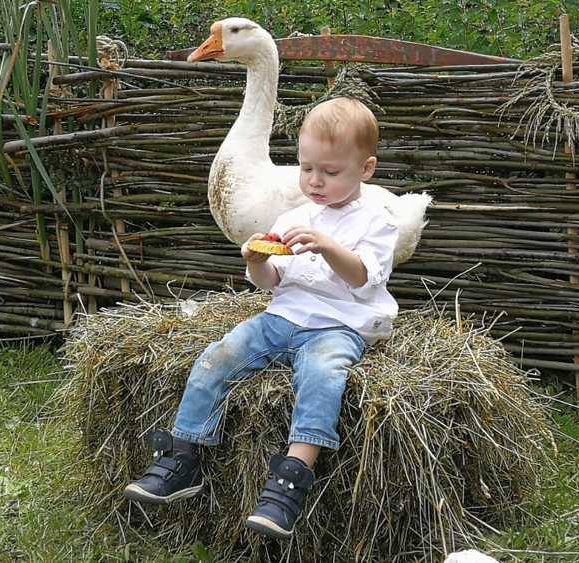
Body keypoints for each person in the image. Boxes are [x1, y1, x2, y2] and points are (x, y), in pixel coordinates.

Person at [123, 97, 399, 539]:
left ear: (365, 169)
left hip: (337, 326)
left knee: (323, 377)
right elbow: (270, 281)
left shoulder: (377, 222)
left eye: (330, 172)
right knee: (217, 356)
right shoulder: (294, 217)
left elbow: (364, 277)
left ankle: (291, 478)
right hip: (281, 318)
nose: (315, 181)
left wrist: (327, 246)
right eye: (306, 168)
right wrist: (253, 260)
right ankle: (182, 456)